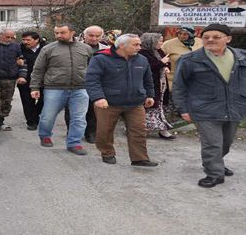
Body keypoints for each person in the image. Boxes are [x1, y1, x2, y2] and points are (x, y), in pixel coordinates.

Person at [173, 24, 246, 188]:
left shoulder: (242, 57)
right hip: (205, 108)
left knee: (226, 142)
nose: (210, 40)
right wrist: (183, 108)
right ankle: (214, 174)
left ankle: (217, 163)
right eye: (206, 37)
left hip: (234, 106)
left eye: (216, 37)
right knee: (212, 143)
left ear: (228, 39)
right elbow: (179, 86)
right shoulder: (190, 60)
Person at [86, 34, 158, 167]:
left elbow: (148, 79)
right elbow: (92, 80)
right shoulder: (101, 59)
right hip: (108, 103)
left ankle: (139, 158)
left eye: (139, 44)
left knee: (139, 131)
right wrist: (98, 98)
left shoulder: (142, 60)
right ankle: (107, 153)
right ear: (122, 46)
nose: (139, 47)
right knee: (105, 131)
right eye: (135, 45)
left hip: (135, 102)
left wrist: (149, 95)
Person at [29, 23, 93, 155]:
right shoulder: (48, 49)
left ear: (72, 32)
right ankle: (45, 135)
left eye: (62, 32)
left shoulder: (85, 48)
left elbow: (91, 69)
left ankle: (74, 143)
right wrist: (34, 87)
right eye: (56, 33)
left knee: (79, 118)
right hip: (54, 88)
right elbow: (38, 69)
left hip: (80, 88)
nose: (59, 35)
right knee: (48, 116)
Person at [64, 25, 110, 143]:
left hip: (97, 84)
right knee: (73, 110)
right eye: (91, 35)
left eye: (97, 36)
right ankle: (72, 131)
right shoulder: (73, 47)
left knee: (93, 110)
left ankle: (91, 133)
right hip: (76, 83)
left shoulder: (107, 49)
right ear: (84, 36)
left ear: (102, 36)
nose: (94, 38)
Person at [139, 33, 175, 140]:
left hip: (161, 83)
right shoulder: (142, 53)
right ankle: (142, 129)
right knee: (150, 107)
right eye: (159, 41)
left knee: (160, 106)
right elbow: (147, 67)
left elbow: (166, 61)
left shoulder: (158, 51)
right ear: (151, 41)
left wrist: (166, 67)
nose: (161, 43)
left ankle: (162, 129)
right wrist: (161, 63)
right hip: (149, 84)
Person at [17, 31, 44, 131]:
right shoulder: (19, 49)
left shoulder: (45, 48)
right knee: (27, 101)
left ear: (36, 40)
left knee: (44, 100)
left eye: (28, 40)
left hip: (43, 79)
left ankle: (35, 115)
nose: (25, 42)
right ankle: (31, 122)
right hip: (25, 79)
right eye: (23, 39)